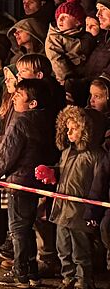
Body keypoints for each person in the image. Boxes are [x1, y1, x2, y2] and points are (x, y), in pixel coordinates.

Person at [0, 78, 59, 288]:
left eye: (20, 95)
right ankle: (32, 273)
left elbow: (8, 152)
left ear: (33, 103)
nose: (14, 97)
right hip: (37, 180)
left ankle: (20, 274)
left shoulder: (22, 121)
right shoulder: (46, 120)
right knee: (28, 227)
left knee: (18, 228)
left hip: (20, 181)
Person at [45, 105, 104, 289]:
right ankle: (68, 277)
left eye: (74, 128)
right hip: (62, 208)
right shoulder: (66, 153)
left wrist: (93, 212)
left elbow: (99, 184)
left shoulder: (95, 156)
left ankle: (84, 280)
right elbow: (63, 173)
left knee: (81, 249)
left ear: (86, 129)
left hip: (79, 212)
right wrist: (51, 173)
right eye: (67, 128)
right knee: (63, 247)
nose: (69, 132)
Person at [45, 0, 95, 86]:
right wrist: (66, 78)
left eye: (65, 17)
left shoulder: (86, 34)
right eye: (58, 17)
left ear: (77, 22)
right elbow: (56, 59)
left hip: (85, 77)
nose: (60, 20)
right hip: (65, 79)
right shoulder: (54, 37)